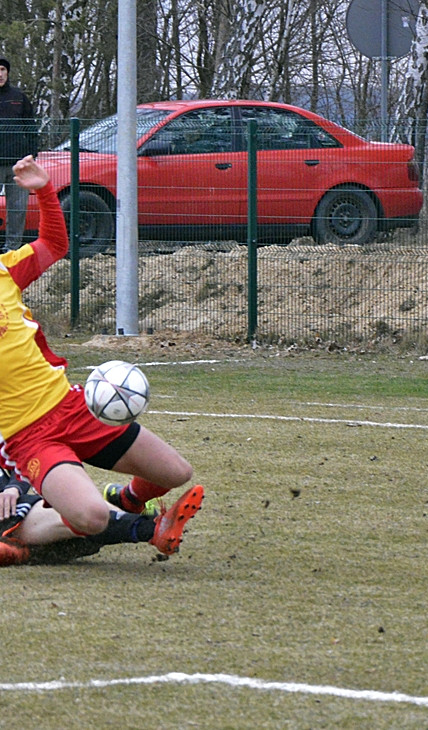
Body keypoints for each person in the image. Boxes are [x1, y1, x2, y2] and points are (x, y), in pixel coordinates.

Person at [0, 155, 204, 552]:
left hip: (74, 407)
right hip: (29, 437)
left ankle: (126, 500)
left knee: (175, 472)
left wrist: (43, 190)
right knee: (90, 517)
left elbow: (54, 244)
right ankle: (136, 528)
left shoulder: (6, 272)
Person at [0, 472, 179, 566]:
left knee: (78, 516)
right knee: (74, 521)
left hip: (16, 507)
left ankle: (128, 504)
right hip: (13, 523)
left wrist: (14, 487)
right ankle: (140, 516)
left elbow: (25, 458)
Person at [0, 57, 38, 251]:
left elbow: (30, 127)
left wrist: (32, 155)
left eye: (2, 69)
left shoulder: (19, 97)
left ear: (7, 72)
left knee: (17, 208)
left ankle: (12, 249)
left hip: (17, 164)